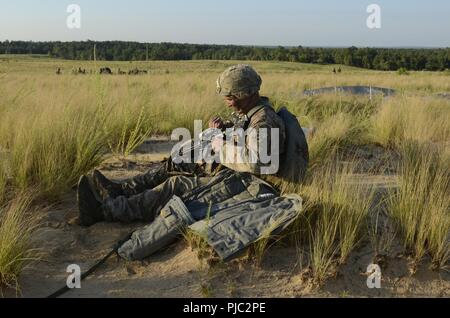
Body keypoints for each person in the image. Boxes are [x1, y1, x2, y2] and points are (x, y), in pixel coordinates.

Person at [76, 64, 307, 260]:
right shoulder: (254, 115)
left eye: (230, 97)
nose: (227, 102)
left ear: (245, 94)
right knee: (178, 163)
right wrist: (224, 130)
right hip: (235, 175)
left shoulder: (264, 121)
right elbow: (248, 139)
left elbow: (258, 162)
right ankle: (119, 192)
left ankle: (106, 210)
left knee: (175, 186)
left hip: (247, 185)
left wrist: (220, 146)